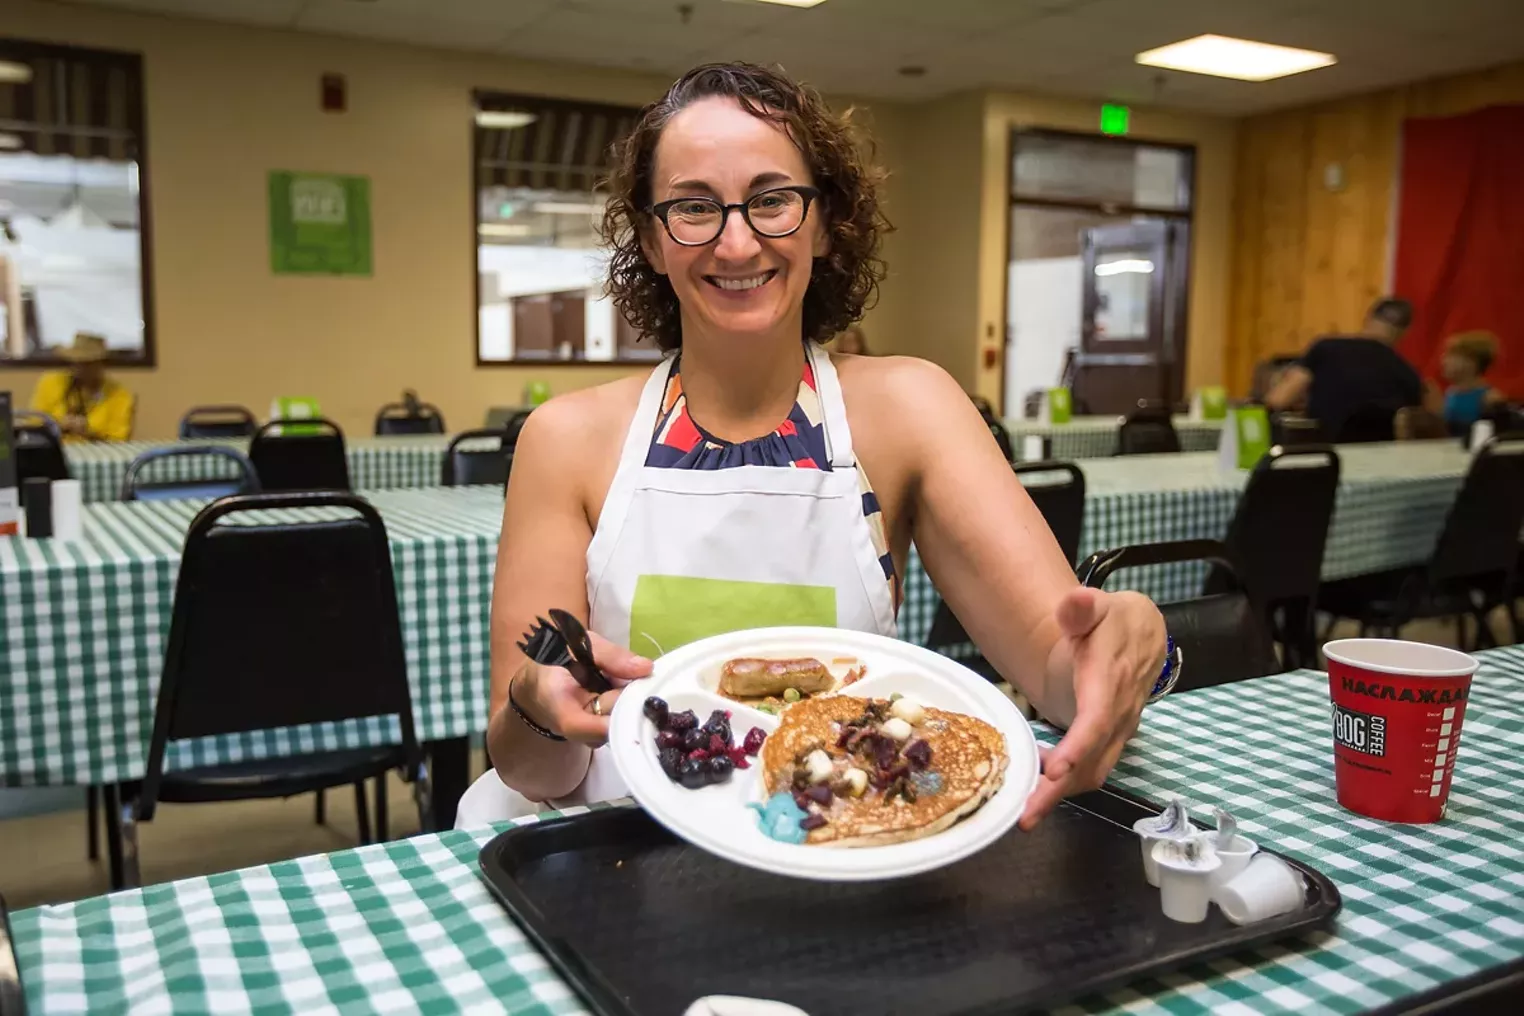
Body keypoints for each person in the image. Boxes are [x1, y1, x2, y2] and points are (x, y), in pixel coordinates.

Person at [459, 63, 1167, 830]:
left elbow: (1059, 670)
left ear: (826, 223)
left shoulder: (910, 411)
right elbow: (531, 768)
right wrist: (537, 708)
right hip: (613, 846)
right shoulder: (564, 441)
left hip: (836, 841)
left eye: (772, 201)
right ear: (654, 240)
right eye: (694, 207)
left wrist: (1121, 651)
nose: (737, 242)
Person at [1264, 297, 1422, 442]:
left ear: (1367, 319)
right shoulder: (1409, 374)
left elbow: (1279, 399)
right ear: (1405, 333)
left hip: (1327, 458)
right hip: (1380, 463)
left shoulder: (1326, 348)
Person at [28, 332, 135, 442]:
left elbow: (119, 439)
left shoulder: (119, 395)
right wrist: (59, 425)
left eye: (87, 363)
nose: (80, 368)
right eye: (76, 362)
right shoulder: (50, 383)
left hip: (94, 454)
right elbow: (34, 424)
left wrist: (88, 431)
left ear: (102, 364)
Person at [1429, 330, 1502, 436]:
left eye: (1452, 356)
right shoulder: (1450, 393)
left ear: (1471, 362)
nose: (1444, 361)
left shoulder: (1488, 398)